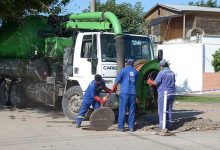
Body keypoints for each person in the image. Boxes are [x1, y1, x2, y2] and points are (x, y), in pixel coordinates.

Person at [147, 59, 176, 130]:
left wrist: (149, 81)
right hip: (172, 93)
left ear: (161, 66)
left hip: (163, 94)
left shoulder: (162, 73)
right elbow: (174, 81)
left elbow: (155, 83)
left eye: (160, 66)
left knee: (161, 109)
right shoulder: (172, 72)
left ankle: (162, 126)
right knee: (169, 109)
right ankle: (169, 125)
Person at [112, 59, 139, 132]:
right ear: (133, 64)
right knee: (132, 110)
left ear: (127, 63)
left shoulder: (123, 70)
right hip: (133, 93)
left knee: (122, 110)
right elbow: (135, 81)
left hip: (125, 92)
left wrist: (113, 88)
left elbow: (117, 81)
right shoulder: (136, 72)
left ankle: (121, 127)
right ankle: (131, 127)